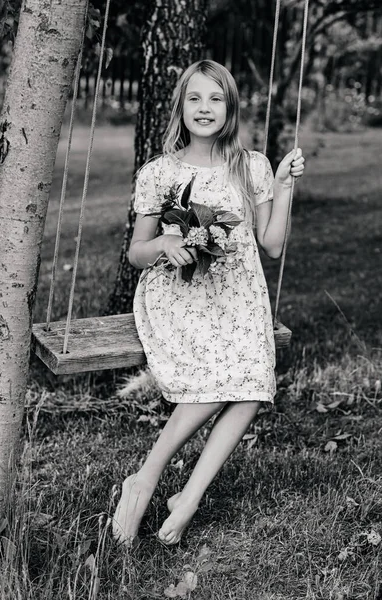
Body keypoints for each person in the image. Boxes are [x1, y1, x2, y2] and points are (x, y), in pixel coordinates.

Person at [112, 59, 305, 546]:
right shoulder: (160, 173)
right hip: (179, 294)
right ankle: (148, 477)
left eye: (215, 99)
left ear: (230, 107)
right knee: (228, 377)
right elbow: (136, 252)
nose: (204, 108)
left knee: (255, 385)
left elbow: (274, 244)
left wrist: (282, 189)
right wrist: (164, 245)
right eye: (195, 98)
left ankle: (189, 495)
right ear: (180, 106)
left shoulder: (252, 166)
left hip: (237, 295)